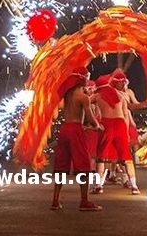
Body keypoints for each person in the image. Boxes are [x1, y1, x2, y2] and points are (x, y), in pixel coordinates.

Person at [51, 72, 103, 212]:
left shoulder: (68, 94)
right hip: (75, 130)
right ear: (83, 80)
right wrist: (98, 126)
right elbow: (91, 118)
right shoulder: (83, 97)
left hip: (65, 129)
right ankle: (84, 201)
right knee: (83, 165)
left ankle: (55, 200)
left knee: (61, 165)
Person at [94, 72, 140, 195]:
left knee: (101, 157)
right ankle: (134, 186)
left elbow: (86, 106)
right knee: (126, 157)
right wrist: (126, 133)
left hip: (107, 124)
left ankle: (99, 185)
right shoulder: (121, 96)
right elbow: (125, 115)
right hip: (120, 125)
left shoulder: (98, 96)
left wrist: (95, 124)